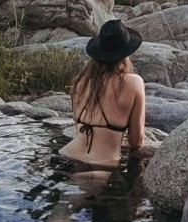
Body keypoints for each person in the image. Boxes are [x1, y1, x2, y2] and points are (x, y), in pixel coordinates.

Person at [59, 19, 146, 170]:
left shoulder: (80, 82)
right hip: (102, 165)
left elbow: (78, 130)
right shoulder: (133, 83)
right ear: (125, 54)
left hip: (67, 155)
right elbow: (136, 141)